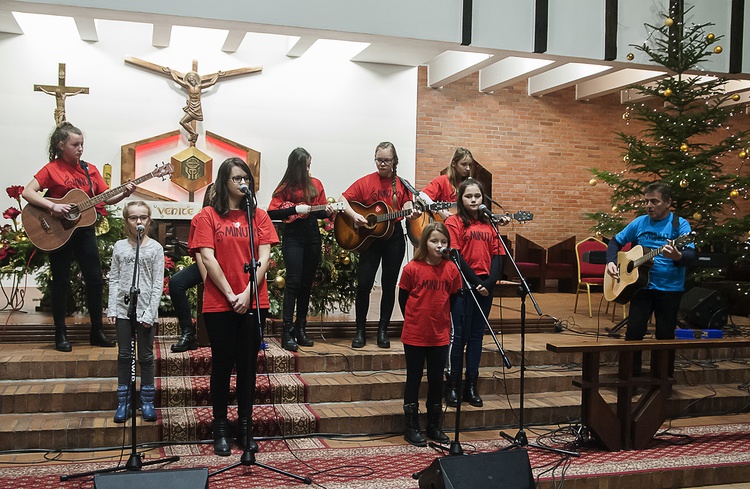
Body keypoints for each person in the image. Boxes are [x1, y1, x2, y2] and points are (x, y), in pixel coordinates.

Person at [190, 157, 279, 456]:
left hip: (254, 300)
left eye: (246, 178)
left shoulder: (260, 217)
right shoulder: (208, 216)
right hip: (219, 303)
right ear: (223, 182)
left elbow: (264, 258)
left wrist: (248, 292)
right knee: (222, 365)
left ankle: (245, 427)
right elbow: (207, 257)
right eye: (236, 178)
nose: (243, 183)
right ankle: (219, 428)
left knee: (247, 367)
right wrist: (231, 294)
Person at [22, 122, 135, 352]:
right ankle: (60, 334)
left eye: (82, 144)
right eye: (75, 144)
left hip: (83, 230)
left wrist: (124, 193)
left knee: (94, 279)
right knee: (60, 282)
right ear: (61, 145)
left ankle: (97, 331)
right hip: (57, 231)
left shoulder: (89, 169)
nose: (80, 148)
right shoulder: (51, 169)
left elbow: (105, 197)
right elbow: (27, 192)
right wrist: (52, 207)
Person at [606, 181, 695, 376]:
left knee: (664, 336)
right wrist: (611, 262)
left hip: (669, 289)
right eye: (646, 201)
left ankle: (662, 380)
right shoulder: (639, 222)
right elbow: (614, 242)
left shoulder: (679, 224)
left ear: (668, 203)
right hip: (641, 288)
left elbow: (690, 254)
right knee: (634, 333)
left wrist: (677, 256)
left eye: (654, 201)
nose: (649, 206)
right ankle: (629, 378)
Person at [339, 142, 419, 349]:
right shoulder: (366, 182)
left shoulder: (402, 184)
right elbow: (342, 199)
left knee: (389, 284)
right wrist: (355, 216)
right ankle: (360, 331)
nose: (382, 164)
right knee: (364, 284)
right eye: (379, 160)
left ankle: (382, 330)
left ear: (394, 161)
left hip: (394, 240)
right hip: (370, 240)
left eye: (386, 160)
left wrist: (410, 211)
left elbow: (407, 204)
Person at [443, 178, 506, 408]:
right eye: (468, 196)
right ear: (461, 198)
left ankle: (471, 384)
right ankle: (452, 385)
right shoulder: (454, 222)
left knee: (476, 337)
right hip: (463, 286)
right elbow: (456, 256)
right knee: (459, 337)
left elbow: (499, 257)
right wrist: (475, 281)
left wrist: (489, 282)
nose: (473, 200)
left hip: (484, 288)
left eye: (477, 196)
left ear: (483, 199)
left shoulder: (490, 225)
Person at [398, 222, 461, 446]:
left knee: (436, 380)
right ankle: (411, 426)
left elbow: (452, 298)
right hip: (415, 333)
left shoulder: (452, 269)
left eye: (443, 241)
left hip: (439, 335)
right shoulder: (412, 268)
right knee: (413, 379)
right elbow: (403, 299)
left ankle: (434, 425)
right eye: (434, 241)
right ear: (425, 242)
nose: (439, 245)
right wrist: (416, 319)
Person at [267, 148, 333, 352]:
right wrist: (295, 209)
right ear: (296, 166)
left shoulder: (316, 185)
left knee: (306, 283)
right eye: (305, 166)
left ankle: (300, 328)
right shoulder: (286, 186)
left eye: (309, 166)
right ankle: (286, 330)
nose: (308, 170)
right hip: (293, 237)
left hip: (312, 236)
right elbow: (272, 212)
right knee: (294, 281)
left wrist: (327, 211)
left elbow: (320, 212)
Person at [107, 201, 164, 423]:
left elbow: (157, 283)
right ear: (126, 221)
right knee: (124, 355)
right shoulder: (120, 246)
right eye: (133, 218)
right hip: (123, 308)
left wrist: (150, 312)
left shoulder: (155, 248)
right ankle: (124, 402)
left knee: (146, 357)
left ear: (149, 220)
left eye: (143, 217)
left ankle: (147, 401)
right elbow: (114, 278)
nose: (138, 221)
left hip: (146, 310)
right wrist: (113, 306)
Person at [170, 183, 215, 353]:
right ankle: (188, 332)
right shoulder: (200, 218)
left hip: (230, 264)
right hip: (205, 264)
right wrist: (208, 281)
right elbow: (199, 253)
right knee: (176, 283)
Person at [421, 147, 474, 219]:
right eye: (464, 164)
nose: (468, 168)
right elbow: (422, 196)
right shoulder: (442, 181)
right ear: (454, 163)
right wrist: (438, 210)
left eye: (470, 165)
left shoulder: (470, 184)